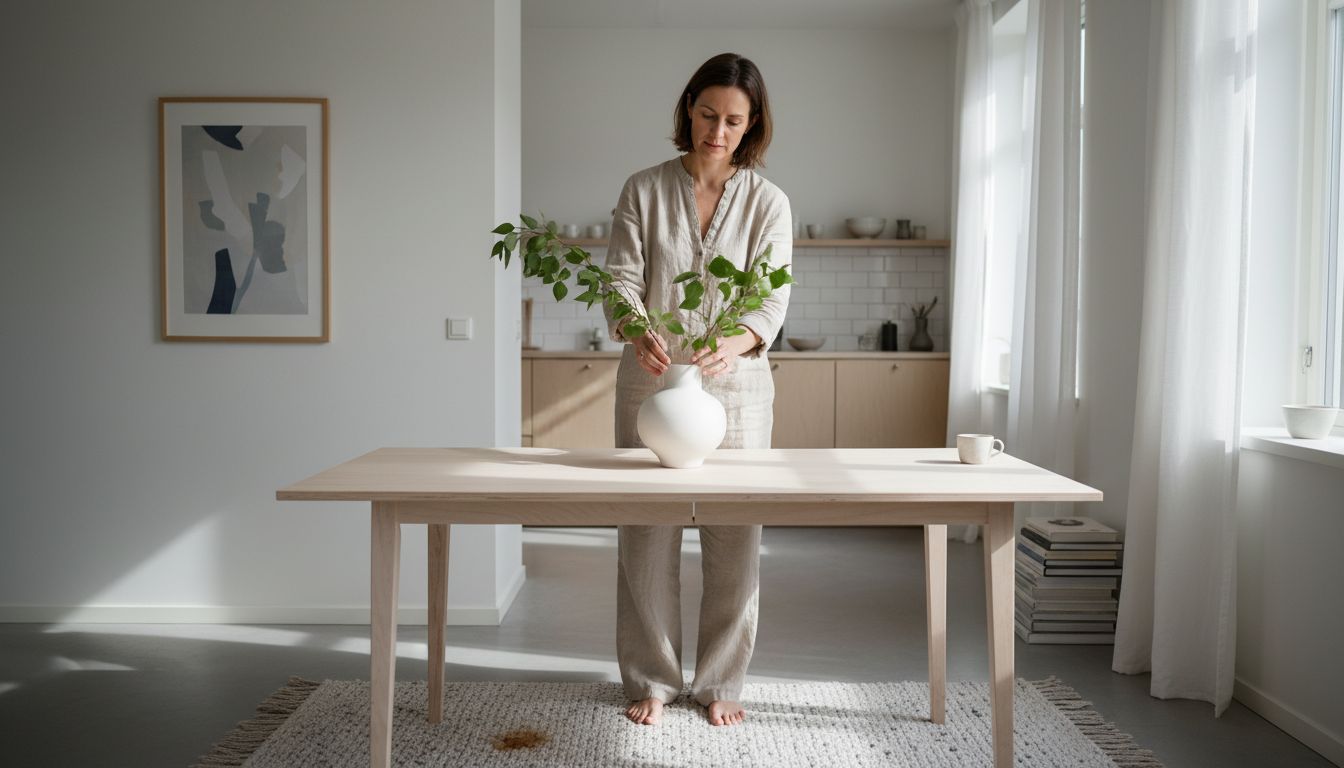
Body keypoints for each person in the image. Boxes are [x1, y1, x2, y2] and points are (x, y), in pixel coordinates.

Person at [602, 52, 792, 728]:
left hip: (735, 390)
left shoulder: (770, 203)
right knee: (645, 535)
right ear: (688, 108)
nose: (718, 131)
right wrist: (633, 327)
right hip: (651, 383)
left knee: (735, 535)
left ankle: (719, 681)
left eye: (734, 121)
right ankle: (652, 679)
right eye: (708, 114)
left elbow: (771, 302)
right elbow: (620, 279)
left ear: (752, 126)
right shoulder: (643, 189)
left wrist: (735, 342)